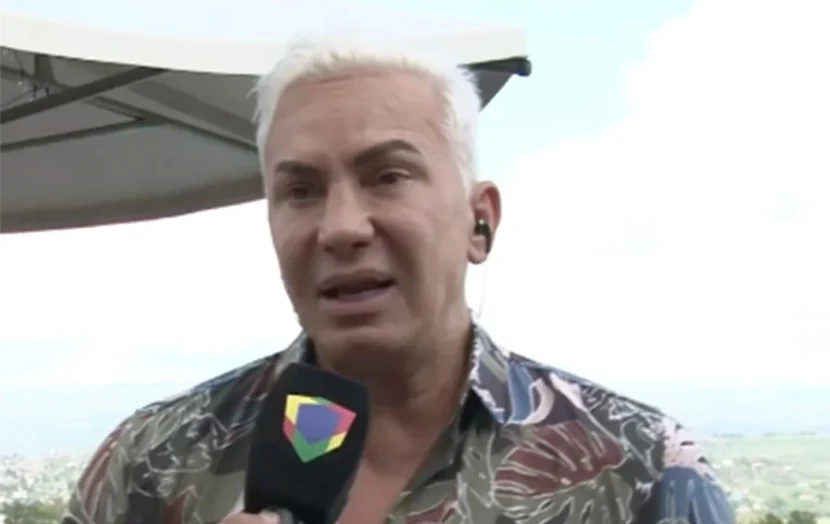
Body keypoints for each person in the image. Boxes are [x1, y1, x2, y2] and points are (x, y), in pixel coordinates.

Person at [61, 37, 735, 524]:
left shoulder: (640, 471)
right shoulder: (151, 463)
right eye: (301, 190)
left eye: (387, 176)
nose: (340, 228)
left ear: (479, 222)